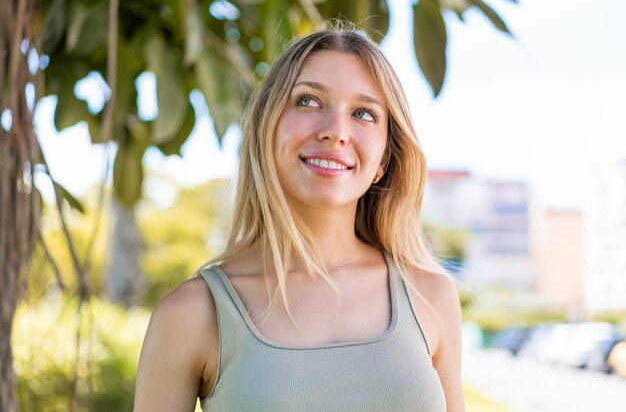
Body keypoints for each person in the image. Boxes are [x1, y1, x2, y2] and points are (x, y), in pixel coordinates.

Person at [134, 23, 465, 412]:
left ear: (384, 160)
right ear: (266, 128)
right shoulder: (192, 314)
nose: (335, 132)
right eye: (308, 101)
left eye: (363, 113)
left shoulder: (431, 297)